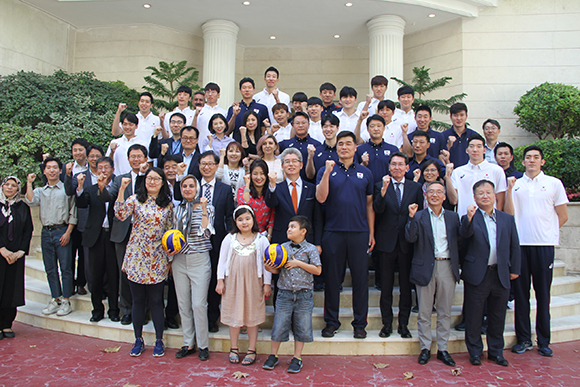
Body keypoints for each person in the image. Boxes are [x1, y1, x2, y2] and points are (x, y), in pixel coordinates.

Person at [504, 145, 569, 357]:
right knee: (521, 295)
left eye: (536, 157)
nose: (531, 160)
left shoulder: (553, 184)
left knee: (543, 295)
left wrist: (547, 233)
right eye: (528, 157)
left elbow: (563, 215)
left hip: (543, 247)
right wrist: (510, 190)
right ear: (522, 162)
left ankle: (544, 341)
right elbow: (510, 214)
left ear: (542, 161)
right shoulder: (516, 184)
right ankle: (523, 339)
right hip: (520, 247)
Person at [316, 131, 375, 339]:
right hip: (333, 232)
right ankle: (331, 322)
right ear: (336, 147)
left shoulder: (365, 173)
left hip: (359, 232)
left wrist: (371, 232)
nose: (344, 147)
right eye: (340, 144)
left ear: (355, 148)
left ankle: (360, 323)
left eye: (348, 144)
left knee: (360, 280)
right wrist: (326, 173)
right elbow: (321, 198)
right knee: (332, 280)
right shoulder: (326, 169)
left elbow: (369, 205)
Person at [114, 167, 174, 357]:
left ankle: (159, 340)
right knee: (138, 300)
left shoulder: (167, 205)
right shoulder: (135, 199)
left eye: (156, 179)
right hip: (137, 257)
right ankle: (138, 339)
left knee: (156, 301)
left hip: (157, 256)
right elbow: (120, 214)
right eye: (149, 178)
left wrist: (170, 258)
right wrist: (122, 189)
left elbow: (170, 231)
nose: (152, 182)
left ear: (162, 182)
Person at [460, 180, 521, 366]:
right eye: (480, 193)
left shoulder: (506, 219)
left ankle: (496, 351)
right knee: (474, 315)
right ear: (475, 197)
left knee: (497, 315)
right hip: (478, 274)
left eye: (488, 192)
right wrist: (469, 220)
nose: (485, 196)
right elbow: (463, 239)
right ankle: (475, 351)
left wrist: (515, 270)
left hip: (500, 273)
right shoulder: (469, 217)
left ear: (495, 195)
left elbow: (514, 246)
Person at [405, 181, 461, 366]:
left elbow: (461, 242)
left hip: (447, 266)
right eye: (431, 192)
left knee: (445, 311)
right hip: (425, 267)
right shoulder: (419, 216)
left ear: (444, 196)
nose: (435, 195)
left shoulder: (453, 217)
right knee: (424, 312)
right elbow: (410, 238)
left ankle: (443, 349)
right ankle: (425, 348)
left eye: (439, 192)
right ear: (426, 196)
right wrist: (411, 217)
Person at [262, 216, 322, 374]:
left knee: (302, 327)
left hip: (304, 295)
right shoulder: (281, 248)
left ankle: (297, 358)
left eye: (293, 227)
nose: (289, 229)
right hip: (284, 294)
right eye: (288, 226)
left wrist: (298, 263)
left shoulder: (311, 249)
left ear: (303, 231)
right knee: (279, 325)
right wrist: (269, 268)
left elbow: (318, 270)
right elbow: (277, 270)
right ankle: (273, 355)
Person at [373, 152, 423, 339]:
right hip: (386, 243)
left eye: (401, 164)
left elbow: (419, 215)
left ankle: (403, 324)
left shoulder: (415, 187)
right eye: (393, 164)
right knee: (385, 287)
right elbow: (377, 210)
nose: (397, 168)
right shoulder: (380, 186)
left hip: (407, 243)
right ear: (389, 167)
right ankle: (387, 324)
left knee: (405, 287)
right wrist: (384, 191)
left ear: (407, 168)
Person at [98, 144, 149, 325]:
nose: (136, 159)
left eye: (139, 156)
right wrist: (102, 187)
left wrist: (144, 175)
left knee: (145, 273)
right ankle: (127, 310)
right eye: (132, 156)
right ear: (128, 159)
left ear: (145, 158)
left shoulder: (150, 178)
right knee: (125, 273)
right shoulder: (120, 179)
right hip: (123, 233)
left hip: (145, 235)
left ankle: (144, 310)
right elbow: (108, 197)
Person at [216, 205, 272, 365]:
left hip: (254, 282)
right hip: (233, 282)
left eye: (247, 218)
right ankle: (234, 348)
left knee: (252, 316)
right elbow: (222, 260)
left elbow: (267, 263)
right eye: (240, 220)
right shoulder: (230, 238)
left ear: (253, 219)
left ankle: (251, 350)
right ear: (235, 222)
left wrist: (267, 283)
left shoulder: (261, 240)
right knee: (234, 314)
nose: (244, 222)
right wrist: (220, 280)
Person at [186, 150, 234, 334]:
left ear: (216, 166)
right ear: (198, 166)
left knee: (215, 277)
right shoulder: (191, 186)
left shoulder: (224, 189)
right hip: (194, 241)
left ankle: (212, 317)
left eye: (210, 164)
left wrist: (229, 238)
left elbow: (229, 216)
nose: (206, 167)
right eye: (203, 164)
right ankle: (192, 318)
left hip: (217, 240)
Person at [25, 157, 77, 316]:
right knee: (50, 269)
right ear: (44, 171)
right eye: (49, 168)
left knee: (66, 268)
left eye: (55, 168)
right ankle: (56, 298)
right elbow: (31, 201)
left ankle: (66, 300)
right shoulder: (41, 190)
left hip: (62, 231)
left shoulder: (66, 190)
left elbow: (73, 212)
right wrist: (29, 183)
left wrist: (68, 232)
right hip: (45, 232)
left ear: (60, 171)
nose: (52, 170)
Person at [172, 175, 214, 361]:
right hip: (179, 260)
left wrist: (204, 208)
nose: (188, 189)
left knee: (198, 304)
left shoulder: (208, 207)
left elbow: (206, 231)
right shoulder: (177, 209)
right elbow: (173, 233)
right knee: (184, 304)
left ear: (197, 188)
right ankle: (188, 343)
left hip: (199, 260)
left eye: (191, 186)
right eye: (185, 186)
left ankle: (203, 345)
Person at [75, 156, 119, 322]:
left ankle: (114, 309)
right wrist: (80, 187)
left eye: (106, 167)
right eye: (99, 167)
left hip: (113, 235)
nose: (103, 171)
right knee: (95, 275)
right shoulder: (91, 189)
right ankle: (97, 310)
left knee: (113, 275)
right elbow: (81, 203)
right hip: (95, 235)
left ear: (112, 170)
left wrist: (104, 189)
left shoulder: (118, 187)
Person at [0, 177, 33, 339]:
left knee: (11, 289)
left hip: (15, 256)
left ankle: (7, 323)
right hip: (0, 253)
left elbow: (28, 230)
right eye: (7, 185)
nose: (10, 188)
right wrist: (2, 249)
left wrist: (21, 251)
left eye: (13, 185)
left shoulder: (23, 207)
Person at [450, 133, 506, 218]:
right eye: (471, 146)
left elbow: (500, 199)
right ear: (467, 150)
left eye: (479, 146)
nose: (475, 150)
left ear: (484, 150)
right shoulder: (458, 172)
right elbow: (454, 199)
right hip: (465, 219)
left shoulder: (496, 170)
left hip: (489, 219)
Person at [356, 114, 399, 185]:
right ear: (367, 129)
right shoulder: (360, 149)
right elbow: (354, 172)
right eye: (372, 126)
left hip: (387, 188)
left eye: (379, 126)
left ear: (384, 128)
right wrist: (363, 164)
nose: (376, 129)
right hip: (365, 188)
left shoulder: (393, 149)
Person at [279, 112, 322, 182]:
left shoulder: (317, 144)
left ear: (309, 124)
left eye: (304, 123)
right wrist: (271, 131)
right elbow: (269, 150)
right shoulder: (286, 144)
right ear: (292, 125)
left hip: (310, 185)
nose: (301, 125)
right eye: (297, 123)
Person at [237, 159, 275, 239]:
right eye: (255, 174)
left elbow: (272, 216)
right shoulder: (242, 190)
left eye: (262, 174)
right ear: (250, 175)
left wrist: (269, 236)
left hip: (264, 236)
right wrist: (247, 184)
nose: (258, 177)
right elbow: (244, 206)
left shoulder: (270, 193)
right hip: (246, 235)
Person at [441, 103, 477, 168]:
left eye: (462, 115)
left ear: (466, 116)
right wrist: (448, 146)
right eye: (455, 115)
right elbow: (440, 159)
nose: (459, 118)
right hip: (450, 174)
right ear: (450, 117)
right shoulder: (443, 136)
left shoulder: (474, 136)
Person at [305, 114, 339, 180]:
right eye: (325, 126)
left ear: (337, 128)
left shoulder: (342, 150)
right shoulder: (316, 150)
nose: (328, 129)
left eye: (331, 126)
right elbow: (310, 175)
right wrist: (310, 157)